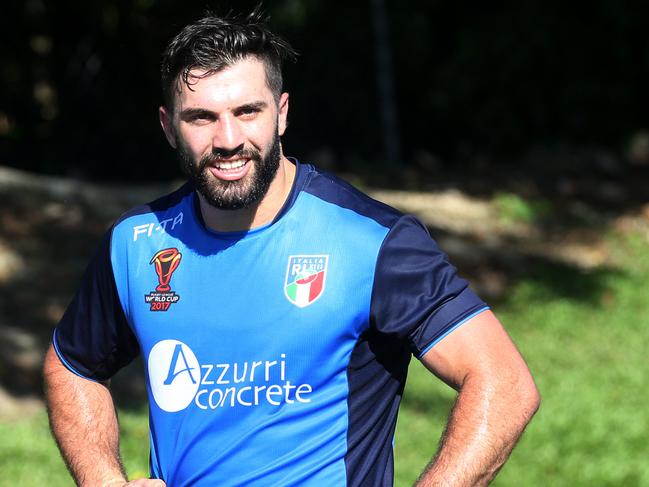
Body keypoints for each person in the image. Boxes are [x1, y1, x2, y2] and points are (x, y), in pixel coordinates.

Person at [43, 10, 540, 487]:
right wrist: (103, 479)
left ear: (281, 113)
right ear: (168, 126)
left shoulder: (372, 241)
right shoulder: (136, 243)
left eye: (247, 111)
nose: (229, 138)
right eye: (201, 118)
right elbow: (72, 365)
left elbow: (503, 382)